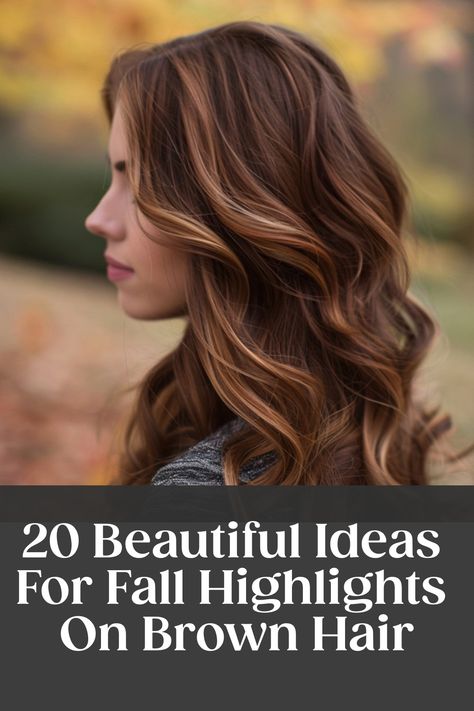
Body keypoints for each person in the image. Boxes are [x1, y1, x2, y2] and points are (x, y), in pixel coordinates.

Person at [85, 20, 469, 486]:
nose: (98, 219)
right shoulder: (361, 425)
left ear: (243, 203)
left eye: (138, 183)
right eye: (113, 176)